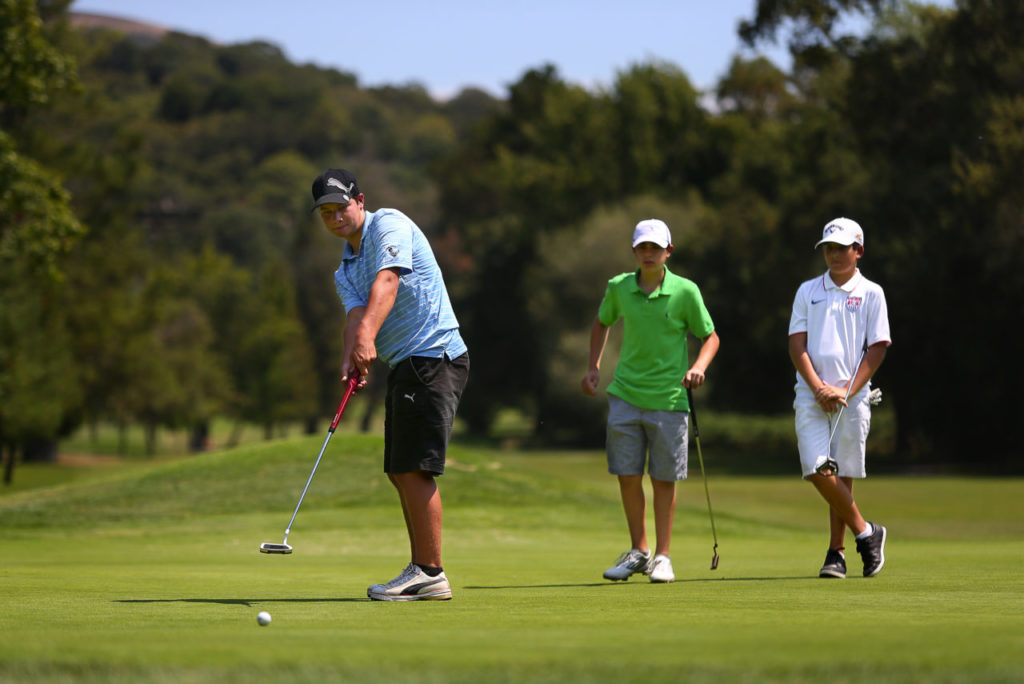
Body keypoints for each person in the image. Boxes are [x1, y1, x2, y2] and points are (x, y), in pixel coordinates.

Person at [312, 168, 470, 601]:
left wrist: (367, 338)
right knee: (399, 472)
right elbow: (354, 315)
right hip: (407, 363)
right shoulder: (344, 268)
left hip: (434, 355)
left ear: (359, 200)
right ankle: (421, 568)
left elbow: (389, 280)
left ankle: (430, 572)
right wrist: (351, 355)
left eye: (340, 207)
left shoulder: (391, 224)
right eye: (325, 213)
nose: (335, 217)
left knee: (415, 468)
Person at [581, 219, 719, 583]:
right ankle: (639, 551)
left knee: (662, 480)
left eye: (655, 248)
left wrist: (699, 366)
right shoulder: (620, 287)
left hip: (670, 399)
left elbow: (711, 337)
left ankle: (663, 556)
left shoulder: (685, 291)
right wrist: (594, 367)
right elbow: (601, 323)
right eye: (642, 247)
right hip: (625, 394)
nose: (648, 254)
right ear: (634, 251)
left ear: (668, 252)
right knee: (627, 476)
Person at [788, 217, 890, 579]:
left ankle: (837, 554)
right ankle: (867, 532)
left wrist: (845, 390)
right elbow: (796, 344)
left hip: (852, 397)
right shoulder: (808, 290)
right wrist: (818, 387)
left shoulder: (872, 293)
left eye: (840, 248)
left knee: (841, 474)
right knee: (816, 468)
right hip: (811, 396)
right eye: (828, 248)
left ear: (858, 251)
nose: (833, 254)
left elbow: (877, 348)